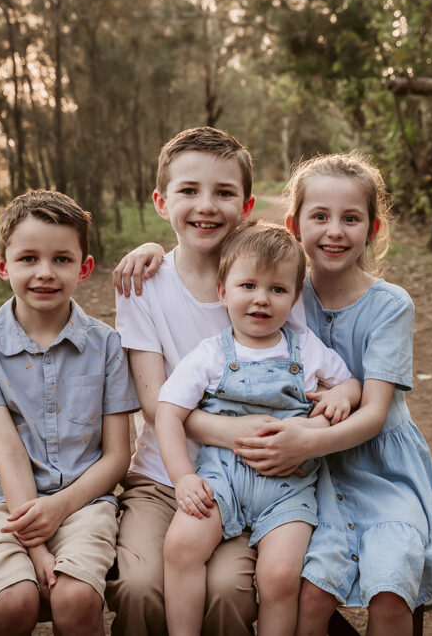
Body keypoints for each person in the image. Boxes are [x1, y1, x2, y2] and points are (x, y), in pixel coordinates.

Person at [115, 153, 432, 635]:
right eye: (320, 217)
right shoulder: (274, 289)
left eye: (350, 219)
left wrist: (311, 431)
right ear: (295, 225)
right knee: (298, 586)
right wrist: (153, 246)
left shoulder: (325, 297)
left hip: (345, 463)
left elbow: (363, 401)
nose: (334, 231)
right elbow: (164, 403)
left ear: (372, 229)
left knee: (350, 581)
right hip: (266, 469)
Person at [106, 127, 356, 636]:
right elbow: (156, 404)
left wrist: (335, 398)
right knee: (139, 587)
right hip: (163, 476)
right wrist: (248, 433)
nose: (206, 205)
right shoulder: (143, 283)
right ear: (161, 201)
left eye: (223, 193)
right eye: (189, 191)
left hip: (262, 478)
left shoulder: (270, 275)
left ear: (245, 205)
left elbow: (317, 364)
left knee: (228, 592)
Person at [155, 223, 360, 636]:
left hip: (289, 488)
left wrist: (344, 395)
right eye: (248, 285)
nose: (261, 300)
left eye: (277, 290)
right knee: (181, 546)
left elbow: (350, 383)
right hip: (221, 479)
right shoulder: (211, 354)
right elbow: (167, 412)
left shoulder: (306, 348)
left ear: (294, 297)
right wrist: (183, 478)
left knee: (281, 576)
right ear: (223, 291)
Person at [0, 190, 138, 636]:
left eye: (61, 259)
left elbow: (116, 457)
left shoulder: (106, 345)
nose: (45, 273)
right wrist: (35, 547)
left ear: (84, 268)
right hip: (0, 499)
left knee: (74, 597)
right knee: (14, 602)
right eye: (29, 259)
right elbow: (8, 452)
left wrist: (59, 508)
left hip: (84, 498)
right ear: (3, 265)